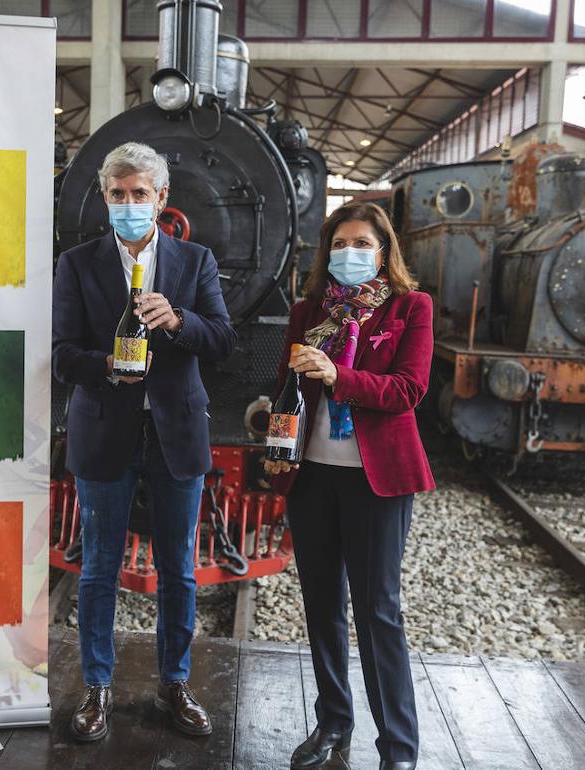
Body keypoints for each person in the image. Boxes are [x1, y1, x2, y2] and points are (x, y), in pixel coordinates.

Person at [52, 142, 236, 742]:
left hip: (175, 434)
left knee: (178, 570)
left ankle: (173, 683)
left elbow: (222, 340)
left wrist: (178, 321)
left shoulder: (195, 260)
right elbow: (60, 357)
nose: (129, 204)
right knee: (99, 568)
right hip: (105, 433)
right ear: (105, 198)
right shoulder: (78, 264)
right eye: (118, 194)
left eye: (140, 195)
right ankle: (98, 688)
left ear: (161, 199)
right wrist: (108, 362)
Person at [264, 202, 433, 770]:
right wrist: (273, 426)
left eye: (362, 243)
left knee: (378, 611)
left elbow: (407, 390)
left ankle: (398, 747)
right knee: (322, 606)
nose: (349, 253)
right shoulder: (307, 311)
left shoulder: (411, 309)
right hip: (311, 475)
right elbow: (287, 386)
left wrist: (340, 375)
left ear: (384, 252)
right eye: (339, 244)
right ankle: (334, 725)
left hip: (376, 482)